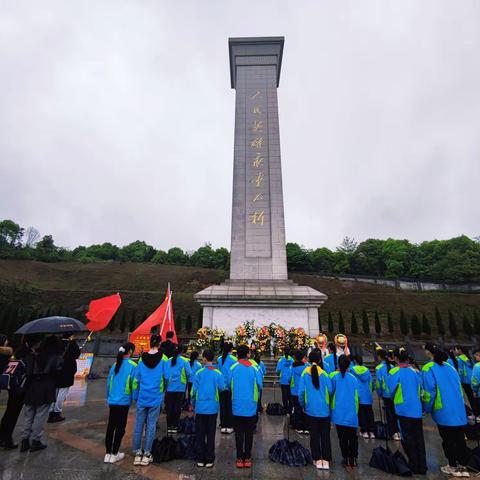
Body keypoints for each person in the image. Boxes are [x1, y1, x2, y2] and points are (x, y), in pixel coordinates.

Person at [422, 347, 469, 477]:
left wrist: (426, 407)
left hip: (443, 408)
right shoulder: (451, 367)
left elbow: (429, 391)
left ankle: (453, 465)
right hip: (458, 408)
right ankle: (464, 467)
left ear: (428, 352)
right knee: (460, 438)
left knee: (448, 439)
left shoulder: (428, 368)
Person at [20, 336, 63, 452]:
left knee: (28, 414)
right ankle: (36, 440)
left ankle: (24, 440)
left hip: (32, 386)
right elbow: (59, 371)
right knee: (40, 415)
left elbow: (28, 371)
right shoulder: (56, 356)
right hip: (46, 387)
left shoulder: (34, 354)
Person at [388, 347, 427, 475]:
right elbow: (421, 390)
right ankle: (422, 465)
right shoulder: (415, 372)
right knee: (419, 438)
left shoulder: (394, 372)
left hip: (403, 409)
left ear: (396, 358)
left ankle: (413, 463)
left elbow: (391, 390)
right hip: (416, 409)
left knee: (408, 438)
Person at [227, 344, 263, 469]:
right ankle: (247, 457)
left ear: (237, 354)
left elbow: (227, 383)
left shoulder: (233, 367)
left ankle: (239, 458)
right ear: (248, 354)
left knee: (238, 433)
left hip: (237, 403)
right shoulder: (254, 368)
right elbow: (260, 384)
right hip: (251, 404)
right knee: (249, 433)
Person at [132, 334, 165, 466]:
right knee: (151, 425)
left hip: (142, 396)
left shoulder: (141, 359)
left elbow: (136, 380)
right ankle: (147, 453)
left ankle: (136, 452)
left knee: (139, 424)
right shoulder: (163, 358)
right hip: (155, 396)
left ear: (149, 343)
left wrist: (135, 396)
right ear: (160, 344)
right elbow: (166, 377)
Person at [298, 350, 333, 470]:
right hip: (324, 409)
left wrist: (303, 404)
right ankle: (326, 459)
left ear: (308, 359)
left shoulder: (304, 373)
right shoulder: (324, 373)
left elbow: (301, 392)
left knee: (314, 435)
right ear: (319, 360)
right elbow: (330, 390)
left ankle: (317, 458)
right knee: (325, 435)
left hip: (311, 409)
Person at [191, 349, 225, 468]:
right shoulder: (218, 373)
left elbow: (193, 390)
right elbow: (222, 387)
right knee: (211, 434)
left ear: (205, 359)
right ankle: (210, 459)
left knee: (200, 433)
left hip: (200, 407)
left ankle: (200, 458)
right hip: (212, 408)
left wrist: (192, 402)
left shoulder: (199, 372)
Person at [105, 342, 136, 464]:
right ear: (131, 352)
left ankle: (107, 453)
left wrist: (108, 397)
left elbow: (108, 383)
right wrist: (134, 398)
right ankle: (115, 453)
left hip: (112, 399)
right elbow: (134, 384)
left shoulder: (114, 365)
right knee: (120, 427)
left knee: (111, 426)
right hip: (123, 400)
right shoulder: (133, 365)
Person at [0, 335, 32, 449]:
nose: (7, 344)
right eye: (6, 343)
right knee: (13, 413)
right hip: (19, 386)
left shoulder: (17, 352)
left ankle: (3, 436)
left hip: (12, 385)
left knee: (9, 411)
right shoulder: (26, 354)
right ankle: (6, 439)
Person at [330, 354, 359, 468]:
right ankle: (354, 458)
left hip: (339, 412)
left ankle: (346, 457)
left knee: (342, 437)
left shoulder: (334, 377)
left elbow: (330, 393)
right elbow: (357, 396)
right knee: (353, 437)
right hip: (351, 412)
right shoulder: (353, 379)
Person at [48, 336, 80, 423]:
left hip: (57, 371)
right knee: (62, 392)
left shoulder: (58, 343)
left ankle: (51, 411)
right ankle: (57, 412)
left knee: (55, 392)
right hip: (67, 371)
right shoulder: (72, 344)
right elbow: (76, 355)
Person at [164, 344, 192, 433]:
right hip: (180, 387)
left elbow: (165, 374)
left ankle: (169, 426)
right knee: (177, 407)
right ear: (182, 351)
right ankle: (175, 426)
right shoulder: (185, 361)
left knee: (169, 407)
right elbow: (189, 373)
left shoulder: (168, 361)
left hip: (170, 387)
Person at [375, 347, 400, 440]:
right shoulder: (393, 367)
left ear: (379, 357)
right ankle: (397, 431)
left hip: (386, 393)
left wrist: (379, 393)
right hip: (395, 393)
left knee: (389, 414)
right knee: (395, 413)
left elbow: (378, 382)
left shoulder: (379, 368)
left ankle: (392, 432)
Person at [350, 355, 375, 439]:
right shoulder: (367, 370)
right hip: (367, 395)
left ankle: (364, 430)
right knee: (369, 413)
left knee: (361, 414)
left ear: (355, 362)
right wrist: (370, 391)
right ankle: (371, 431)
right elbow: (371, 383)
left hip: (358, 395)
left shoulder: (352, 370)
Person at [217, 342, 237, 434]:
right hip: (229, 386)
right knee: (229, 406)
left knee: (222, 406)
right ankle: (230, 425)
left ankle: (223, 424)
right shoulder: (234, 359)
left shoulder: (219, 359)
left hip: (221, 386)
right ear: (231, 349)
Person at [455, 346, 477, 418]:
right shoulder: (467, 357)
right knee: (474, 397)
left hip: (465, 380)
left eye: (456, 349)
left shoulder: (459, 358)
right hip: (472, 378)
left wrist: (459, 379)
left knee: (470, 397)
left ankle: (475, 413)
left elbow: (460, 370)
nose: (455, 351)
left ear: (460, 350)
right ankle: (477, 412)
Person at [289, 349, 308, 434]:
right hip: (305, 391)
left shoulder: (292, 368)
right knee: (305, 408)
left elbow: (289, 378)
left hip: (294, 391)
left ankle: (298, 426)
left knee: (297, 408)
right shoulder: (307, 367)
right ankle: (306, 426)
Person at [276, 347, 293, 413]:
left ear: (283, 352)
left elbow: (278, 369)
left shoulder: (281, 360)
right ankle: (290, 408)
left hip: (283, 379)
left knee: (284, 395)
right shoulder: (292, 360)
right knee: (290, 395)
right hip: (290, 380)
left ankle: (285, 408)